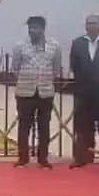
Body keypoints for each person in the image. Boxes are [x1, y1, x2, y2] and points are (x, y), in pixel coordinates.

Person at [68, 15, 99, 169]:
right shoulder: (77, 43)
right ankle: (81, 157)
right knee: (82, 127)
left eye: (94, 23)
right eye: (88, 23)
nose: (91, 26)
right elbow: (74, 66)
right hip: (82, 92)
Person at [11, 16, 62, 169]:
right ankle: (23, 158)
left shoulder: (54, 46)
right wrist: (27, 79)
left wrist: (44, 80)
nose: (32, 31)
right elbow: (15, 68)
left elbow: (56, 69)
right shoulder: (20, 45)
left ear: (43, 29)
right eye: (30, 28)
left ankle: (43, 158)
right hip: (24, 92)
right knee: (24, 126)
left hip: (45, 92)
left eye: (35, 28)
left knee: (44, 126)